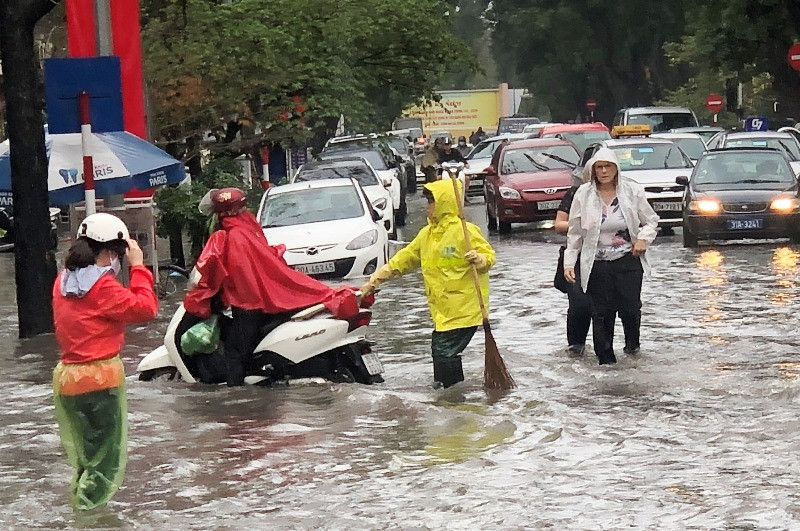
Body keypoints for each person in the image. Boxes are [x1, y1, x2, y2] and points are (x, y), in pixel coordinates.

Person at [184, 188, 359, 386]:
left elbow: (231, 273)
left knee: (234, 353)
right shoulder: (248, 230)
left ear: (221, 214)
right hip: (262, 300)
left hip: (249, 304)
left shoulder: (232, 237)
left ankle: (235, 397)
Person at [52, 213, 158, 510]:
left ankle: (80, 509)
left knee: (87, 460)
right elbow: (146, 308)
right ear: (113, 253)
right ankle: (88, 519)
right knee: (104, 464)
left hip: (67, 379)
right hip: (99, 380)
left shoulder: (62, 281)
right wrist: (139, 267)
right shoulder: (104, 288)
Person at [360, 179, 496, 388]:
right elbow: (403, 260)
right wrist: (374, 280)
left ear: (444, 203)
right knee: (441, 350)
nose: (427, 207)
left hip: (465, 309)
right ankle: (448, 391)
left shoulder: (465, 231)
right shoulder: (427, 235)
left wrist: (479, 259)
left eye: (431, 202)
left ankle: (452, 395)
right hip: (444, 311)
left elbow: (488, 257)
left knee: (444, 350)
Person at [563, 147, 659, 365]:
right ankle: (606, 364)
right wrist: (569, 263)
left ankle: (633, 350)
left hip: (628, 261)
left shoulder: (632, 192)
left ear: (616, 169)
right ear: (593, 170)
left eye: (608, 167)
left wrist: (643, 239)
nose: (604, 171)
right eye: (599, 167)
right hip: (596, 263)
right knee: (601, 314)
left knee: (630, 309)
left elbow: (651, 220)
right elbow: (575, 232)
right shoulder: (583, 194)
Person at [554, 186, 591, 357]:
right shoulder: (576, 193)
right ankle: (576, 348)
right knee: (579, 305)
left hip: (612, 257)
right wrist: (582, 224)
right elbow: (559, 224)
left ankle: (627, 349)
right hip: (576, 255)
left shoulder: (625, 192)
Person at [438, 137, 471, 202]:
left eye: (448, 145)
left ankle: (465, 195)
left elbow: (461, 159)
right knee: (438, 178)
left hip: (457, 171)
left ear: (450, 145)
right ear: (443, 146)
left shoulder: (455, 152)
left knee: (467, 178)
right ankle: (441, 196)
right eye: (445, 145)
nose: (447, 146)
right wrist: (438, 165)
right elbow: (438, 161)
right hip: (445, 171)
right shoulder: (441, 153)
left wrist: (465, 164)